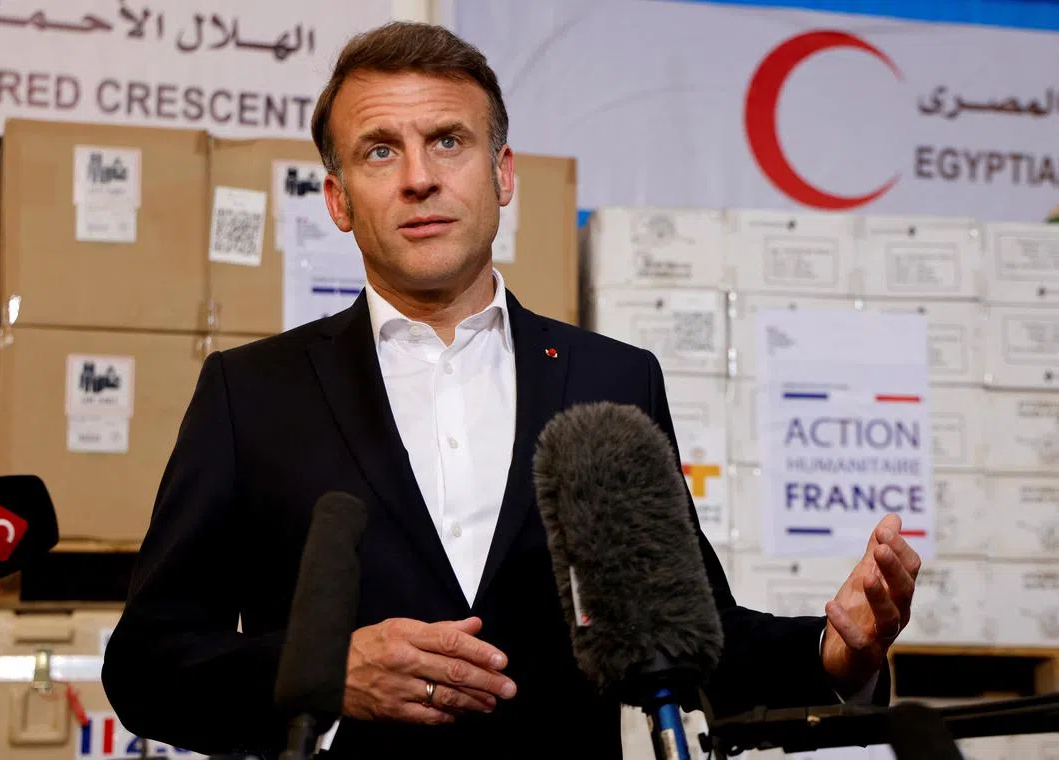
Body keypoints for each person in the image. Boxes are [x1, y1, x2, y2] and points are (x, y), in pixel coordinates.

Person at [101, 21, 920, 759]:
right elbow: (150, 664)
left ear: (503, 175)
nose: (419, 177)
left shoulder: (612, 380)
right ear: (339, 199)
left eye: (448, 141)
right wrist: (321, 674)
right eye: (381, 150)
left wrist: (833, 653)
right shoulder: (252, 393)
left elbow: (691, 639)